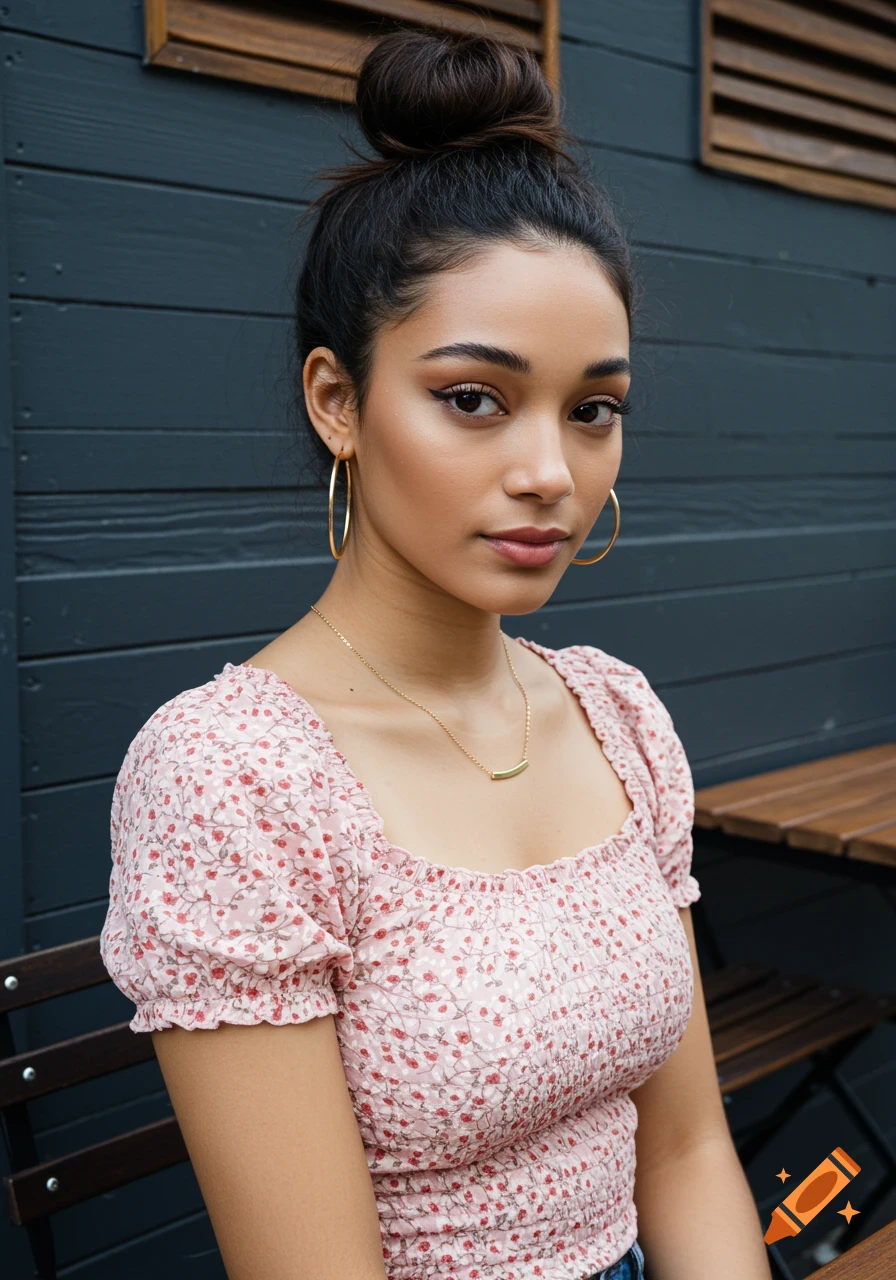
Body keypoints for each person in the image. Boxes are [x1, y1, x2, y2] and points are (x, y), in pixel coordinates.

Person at [100, 27, 772, 1280]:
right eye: (473, 396)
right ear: (335, 400)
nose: (547, 473)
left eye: (592, 409)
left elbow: (681, 1154)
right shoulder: (234, 775)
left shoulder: (611, 714)